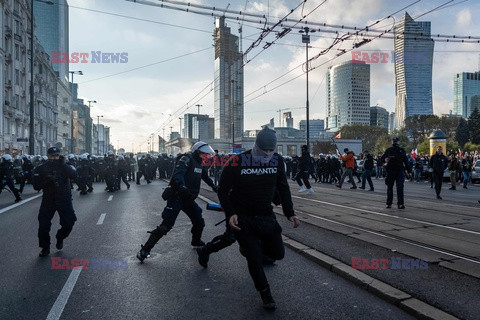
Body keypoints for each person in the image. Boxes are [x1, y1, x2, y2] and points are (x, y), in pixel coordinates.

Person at [212, 127, 300, 310]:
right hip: (244, 218)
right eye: (264, 150)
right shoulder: (237, 162)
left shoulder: (276, 161)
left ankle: (250, 251)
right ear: (256, 146)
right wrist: (231, 213)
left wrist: (290, 212)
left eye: (271, 150)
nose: (267, 154)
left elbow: (283, 188)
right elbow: (222, 190)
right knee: (254, 259)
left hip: (266, 216)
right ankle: (265, 294)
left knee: (278, 253)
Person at [136, 141, 218, 262]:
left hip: (188, 198)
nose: (206, 157)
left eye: (207, 155)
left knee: (199, 221)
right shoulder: (186, 159)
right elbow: (178, 174)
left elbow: (205, 176)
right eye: (204, 155)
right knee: (166, 226)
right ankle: (145, 250)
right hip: (177, 196)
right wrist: (182, 186)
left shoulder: (199, 163)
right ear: (197, 152)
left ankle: (196, 241)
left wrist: (215, 187)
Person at [32, 147, 77, 257]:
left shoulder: (64, 166)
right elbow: (36, 186)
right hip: (49, 200)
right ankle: (45, 247)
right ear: (48, 156)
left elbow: (74, 175)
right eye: (52, 156)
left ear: (59, 156)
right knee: (43, 225)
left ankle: (60, 237)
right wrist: (47, 180)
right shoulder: (42, 168)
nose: (54, 158)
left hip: (64, 199)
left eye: (56, 155)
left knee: (69, 223)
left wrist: (63, 164)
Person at [380, 137, 408, 209]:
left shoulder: (401, 150)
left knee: (398, 187)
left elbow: (406, 161)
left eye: (396, 141)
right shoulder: (389, 150)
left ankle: (398, 203)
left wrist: (409, 171)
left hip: (398, 171)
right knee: (391, 188)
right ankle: (391, 203)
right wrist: (385, 161)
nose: (395, 142)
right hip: (391, 171)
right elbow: (381, 159)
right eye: (394, 141)